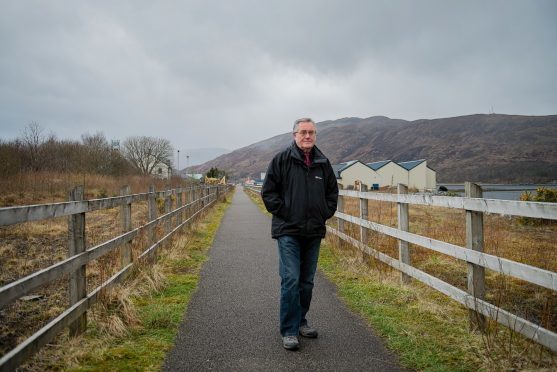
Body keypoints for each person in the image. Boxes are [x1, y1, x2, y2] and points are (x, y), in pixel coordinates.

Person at [262, 117, 339, 350]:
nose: (308, 136)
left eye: (312, 133)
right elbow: (269, 193)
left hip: (313, 231)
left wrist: (322, 213)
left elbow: (331, 194)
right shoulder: (281, 160)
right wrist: (286, 213)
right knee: (291, 278)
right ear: (294, 135)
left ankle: (301, 321)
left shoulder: (323, 162)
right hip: (288, 230)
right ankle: (289, 330)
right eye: (303, 132)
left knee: (306, 281)